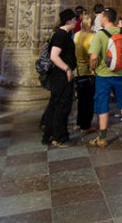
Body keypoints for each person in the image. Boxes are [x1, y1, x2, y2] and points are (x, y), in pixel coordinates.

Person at [88, 8, 122, 147]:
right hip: (120, 73)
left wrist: (92, 68)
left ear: (105, 18)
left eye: (101, 17)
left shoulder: (100, 35)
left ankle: (102, 137)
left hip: (104, 75)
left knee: (102, 103)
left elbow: (94, 56)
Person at [41, 9, 77, 147]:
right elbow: (54, 56)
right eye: (74, 19)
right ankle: (59, 137)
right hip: (61, 76)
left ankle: (49, 135)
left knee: (55, 105)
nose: (76, 22)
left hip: (59, 75)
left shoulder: (60, 34)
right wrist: (67, 68)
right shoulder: (61, 35)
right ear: (69, 20)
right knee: (61, 106)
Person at [73, 14, 96, 134]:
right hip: (88, 71)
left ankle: (78, 123)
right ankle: (85, 126)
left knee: (81, 100)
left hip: (77, 71)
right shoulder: (92, 37)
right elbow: (93, 56)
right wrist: (93, 69)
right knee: (89, 101)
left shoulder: (76, 35)